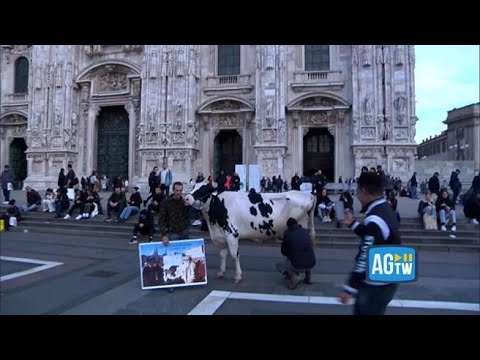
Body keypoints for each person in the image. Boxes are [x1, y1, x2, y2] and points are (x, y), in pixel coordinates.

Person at [339, 172, 401, 315]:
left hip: (375, 284)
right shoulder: (386, 209)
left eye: (357, 191)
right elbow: (375, 236)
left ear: (364, 191)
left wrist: (350, 288)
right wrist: (353, 224)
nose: (357, 196)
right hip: (389, 279)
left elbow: (365, 255)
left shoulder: (375, 218)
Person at [158, 181, 192, 292]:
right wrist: (164, 234)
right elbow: (161, 220)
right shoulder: (166, 202)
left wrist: (188, 206)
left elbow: (192, 215)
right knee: (171, 258)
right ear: (173, 190)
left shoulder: (184, 202)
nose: (178, 193)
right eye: (177, 191)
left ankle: (184, 278)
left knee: (184, 256)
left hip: (184, 231)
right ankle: (170, 282)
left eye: (180, 191)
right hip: (172, 232)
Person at [275, 217, 316, 289]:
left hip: (298, 264)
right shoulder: (305, 231)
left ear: (288, 226)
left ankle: (294, 277)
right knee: (306, 256)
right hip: (311, 262)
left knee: (279, 266)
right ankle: (308, 278)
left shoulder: (287, 234)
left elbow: (284, 252)